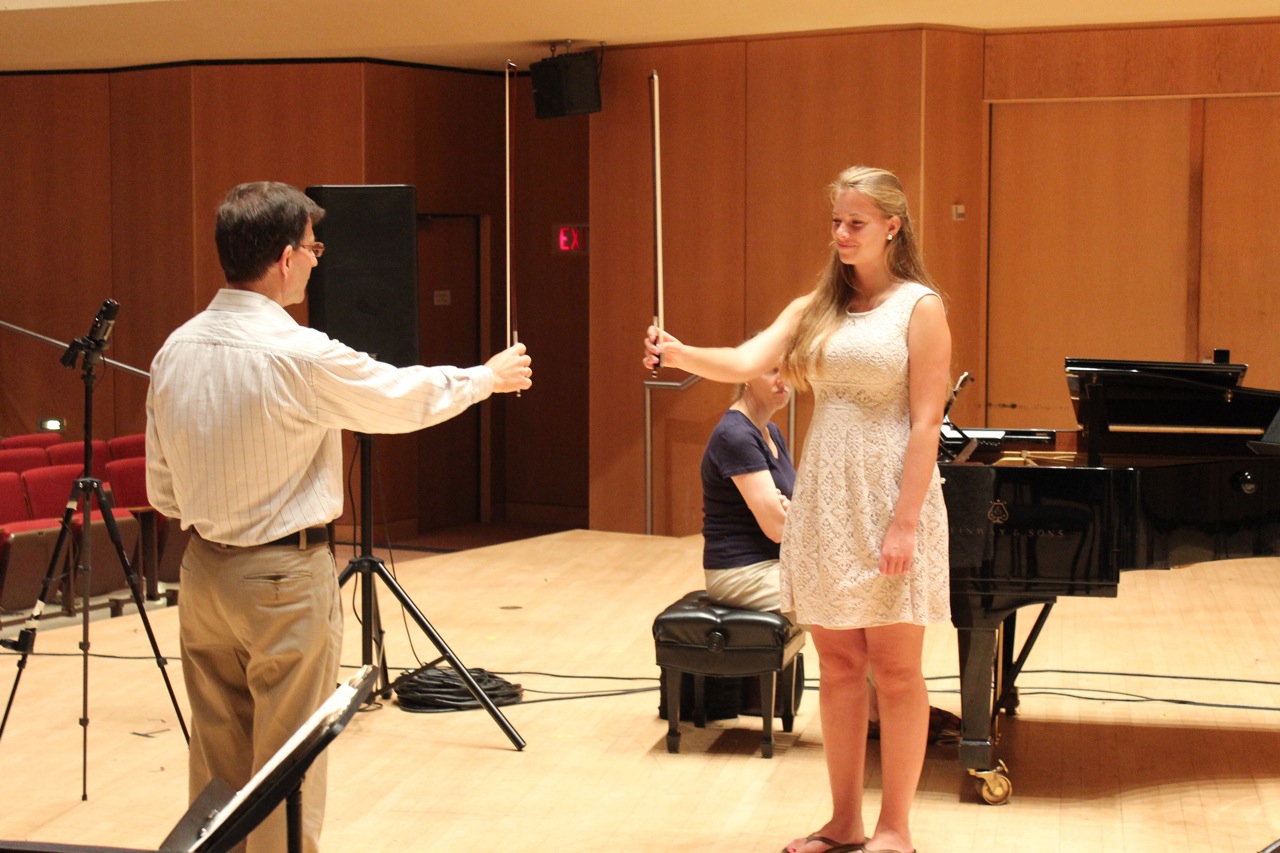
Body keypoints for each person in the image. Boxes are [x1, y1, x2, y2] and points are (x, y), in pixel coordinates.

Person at [146, 181, 532, 853]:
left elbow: (163, 487)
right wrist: (485, 378)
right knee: (286, 769)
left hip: (202, 574)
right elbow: (399, 396)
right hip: (282, 581)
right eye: (312, 247)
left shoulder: (174, 349)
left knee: (216, 768)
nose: (316, 260)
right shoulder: (299, 353)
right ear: (284, 258)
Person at [644, 165, 949, 853]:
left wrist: (905, 523)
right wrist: (680, 352)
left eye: (856, 222)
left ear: (892, 227)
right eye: (836, 221)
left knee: (896, 670)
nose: (842, 233)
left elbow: (927, 422)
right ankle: (844, 822)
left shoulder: (920, 307)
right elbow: (743, 360)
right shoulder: (815, 305)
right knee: (839, 666)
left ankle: (895, 828)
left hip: (891, 494)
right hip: (826, 496)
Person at [700, 364, 795, 612]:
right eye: (772, 371)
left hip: (775, 563)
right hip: (742, 573)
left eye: (788, 370)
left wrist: (790, 511)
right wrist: (788, 515)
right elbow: (777, 528)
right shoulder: (735, 435)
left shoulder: (772, 432)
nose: (783, 379)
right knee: (836, 602)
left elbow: (790, 514)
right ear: (746, 376)